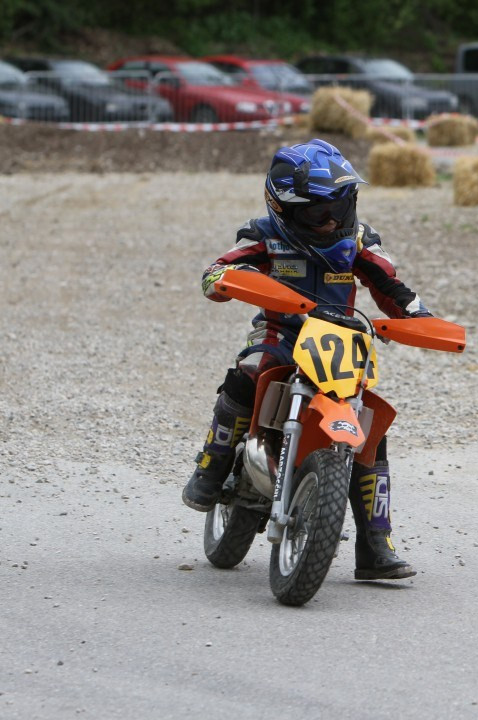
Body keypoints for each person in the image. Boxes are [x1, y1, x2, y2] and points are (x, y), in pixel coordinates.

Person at [182, 139, 432, 581]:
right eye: (319, 211)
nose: (332, 218)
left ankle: (376, 543)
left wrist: (417, 316)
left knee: (370, 422)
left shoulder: (358, 240)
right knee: (249, 370)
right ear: (285, 208)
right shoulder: (263, 234)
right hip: (281, 333)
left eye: (341, 204)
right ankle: (211, 465)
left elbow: (391, 285)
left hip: (340, 340)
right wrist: (225, 281)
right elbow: (220, 270)